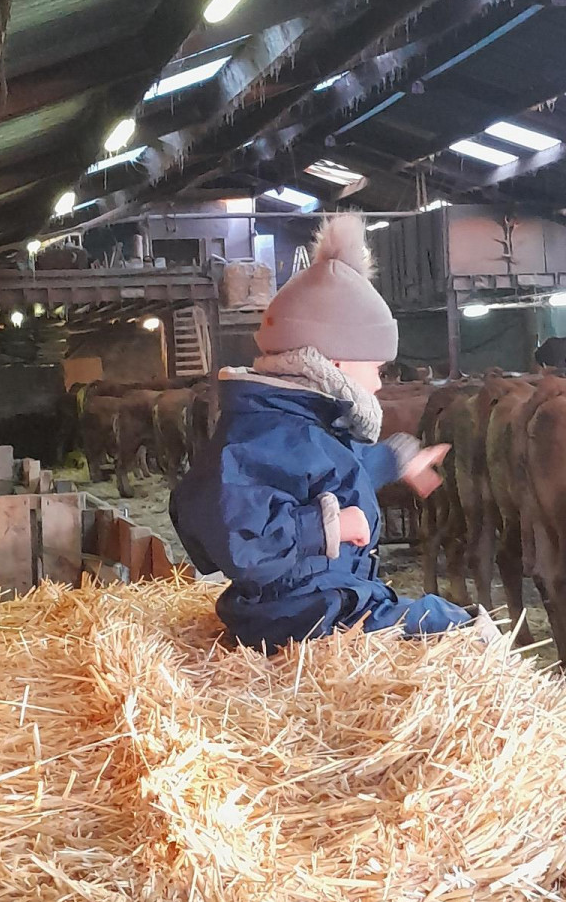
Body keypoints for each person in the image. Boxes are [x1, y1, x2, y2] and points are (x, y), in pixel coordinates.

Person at [170, 213, 483, 653]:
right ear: (334, 364)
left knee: (442, 619)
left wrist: (397, 460)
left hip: (323, 599)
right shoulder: (264, 432)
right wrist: (323, 526)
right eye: (375, 368)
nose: (377, 384)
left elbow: (329, 471)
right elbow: (235, 534)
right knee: (453, 628)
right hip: (304, 615)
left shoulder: (298, 422)